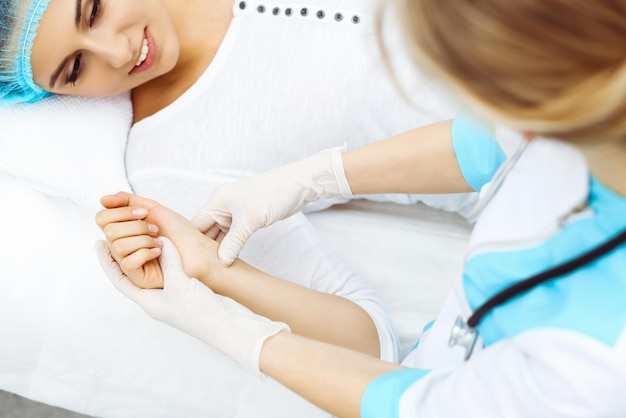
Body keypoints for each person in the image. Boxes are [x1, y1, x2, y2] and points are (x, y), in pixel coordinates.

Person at [98, 0, 626, 416]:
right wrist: (314, 178)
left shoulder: (594, 366)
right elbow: (491, 144)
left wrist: (236, 331)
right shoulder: (579, 125)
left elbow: (418, 404)